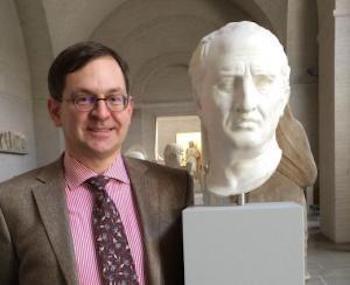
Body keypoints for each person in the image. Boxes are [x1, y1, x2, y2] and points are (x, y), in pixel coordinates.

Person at [0, 41, 193, 285]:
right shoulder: (10, 204)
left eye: (114, 99)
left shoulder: (174, 188)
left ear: (129, 109)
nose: (102, 113)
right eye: (84, 99)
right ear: (55, 111)